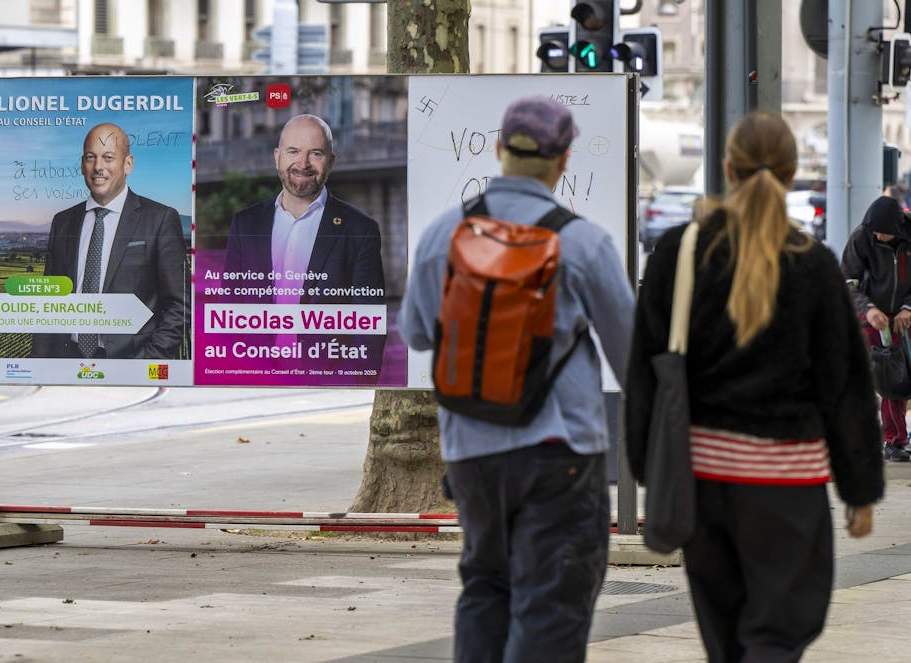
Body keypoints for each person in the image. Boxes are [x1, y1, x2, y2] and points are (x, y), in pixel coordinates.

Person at [626, 110, 884, 662]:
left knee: (727, 643)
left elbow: (646, 369)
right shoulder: (812, 265)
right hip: (789, 489)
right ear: (792, 175)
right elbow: (846, 385)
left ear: (727, 169)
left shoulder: (680, 251)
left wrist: (651, 471)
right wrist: (859, 489)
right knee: (776, 637)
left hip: (704, 485)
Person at [399, 97, 634, 663]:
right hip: (561, 455)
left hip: (471, 453)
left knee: (485, 587)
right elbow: (632, 357)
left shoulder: (444, 234)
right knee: (550, 603)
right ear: (564, 160)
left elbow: (415, 333)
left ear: (500, 150)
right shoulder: (583, 243)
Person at [222, 113, 386, 377]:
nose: (303, 163)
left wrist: (352, 383)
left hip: (326, 384)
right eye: (294, 151)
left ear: (331, 162)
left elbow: (369, 324)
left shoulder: (360, 229)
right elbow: (230, 309)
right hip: (255, 378)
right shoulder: (245, 224)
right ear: (277, 157)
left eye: (316, 153)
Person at [31, 122, 190, 360]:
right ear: (82, 165)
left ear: (128, 164)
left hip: (132, 361)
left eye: (108, 157)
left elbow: (181, 305)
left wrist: (148, 360)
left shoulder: (159, 219)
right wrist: (41, 363)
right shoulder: (62, 222)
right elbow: (49, 303)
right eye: (90, 157)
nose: (98, 167)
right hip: (66, 360)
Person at [841, 195, 911, 461]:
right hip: (871, 315)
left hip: (903, 317)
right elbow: (848, 282)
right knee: (868, 377)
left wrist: (907, 309)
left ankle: (895, 441)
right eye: (875, 232)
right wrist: (868, 309)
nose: (878, 236)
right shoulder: (862, 237)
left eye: (883, 233)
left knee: (896, 380)